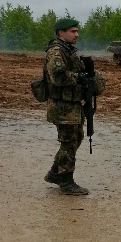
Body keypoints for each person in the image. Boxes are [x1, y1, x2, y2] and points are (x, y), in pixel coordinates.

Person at [43, 17, 104, 195]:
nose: (77, 34)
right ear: (61, 33)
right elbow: (58, 77)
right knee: (69, 141)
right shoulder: (56, 52)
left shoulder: (67, 50)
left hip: (71, 104)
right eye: (73, 31)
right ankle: (66, 181)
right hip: (62, 106)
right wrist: (79, 78)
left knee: (75, 137)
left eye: (77, 31)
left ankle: (55, 172)